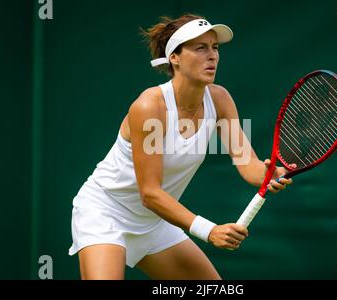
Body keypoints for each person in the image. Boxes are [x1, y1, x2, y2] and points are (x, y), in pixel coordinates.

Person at [68, 14, 293, 280]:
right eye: (201, 48)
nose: (212, 56)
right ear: (174, 57)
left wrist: (270, 174)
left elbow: (249, 165)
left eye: (215, 48)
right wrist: (209, 230)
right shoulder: (150, 107)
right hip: (106, 212)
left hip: (153, 222)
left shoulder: (220, 100)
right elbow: (150, 193)